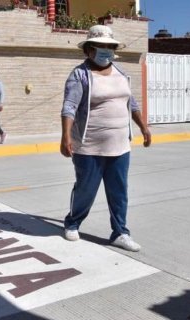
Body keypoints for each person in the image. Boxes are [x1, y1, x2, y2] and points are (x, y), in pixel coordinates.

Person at [60, 25, 151, 252]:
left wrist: (144, 128)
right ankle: (73, 222)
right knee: (85, 190)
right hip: (88, 145)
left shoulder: (120, 73)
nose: (106, 51)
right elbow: (69, 107)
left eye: (109, 47)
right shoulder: (80, 75)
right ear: (89, 50)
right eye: (101, 46)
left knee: (119, 192)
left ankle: (120, 232)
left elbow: (132, 103)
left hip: (120, 145)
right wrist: (65, 136)